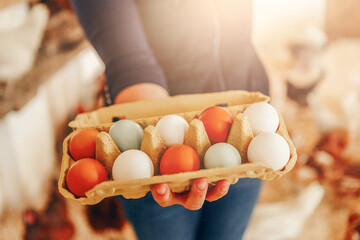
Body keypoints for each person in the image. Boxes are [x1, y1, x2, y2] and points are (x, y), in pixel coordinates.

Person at [71, 1, 269, 239]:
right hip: (147, 119)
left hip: (246, 124)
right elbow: (122, 44)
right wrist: (150, 113)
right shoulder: (149, 142)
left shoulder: (250, 129)